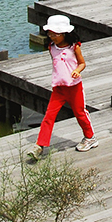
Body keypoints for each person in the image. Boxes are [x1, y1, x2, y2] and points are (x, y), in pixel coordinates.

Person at [26, 15, 97, 161]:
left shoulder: (74, 47)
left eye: (55, 34)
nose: (52, 37)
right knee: (49, 116)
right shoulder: (51, 48)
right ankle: (40, 145)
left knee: (80, 113)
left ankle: (90, 137)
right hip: (58, 89)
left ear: (64, 33)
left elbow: (82, 63)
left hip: (74, 87)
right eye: (50, 34)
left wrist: (77, 70)